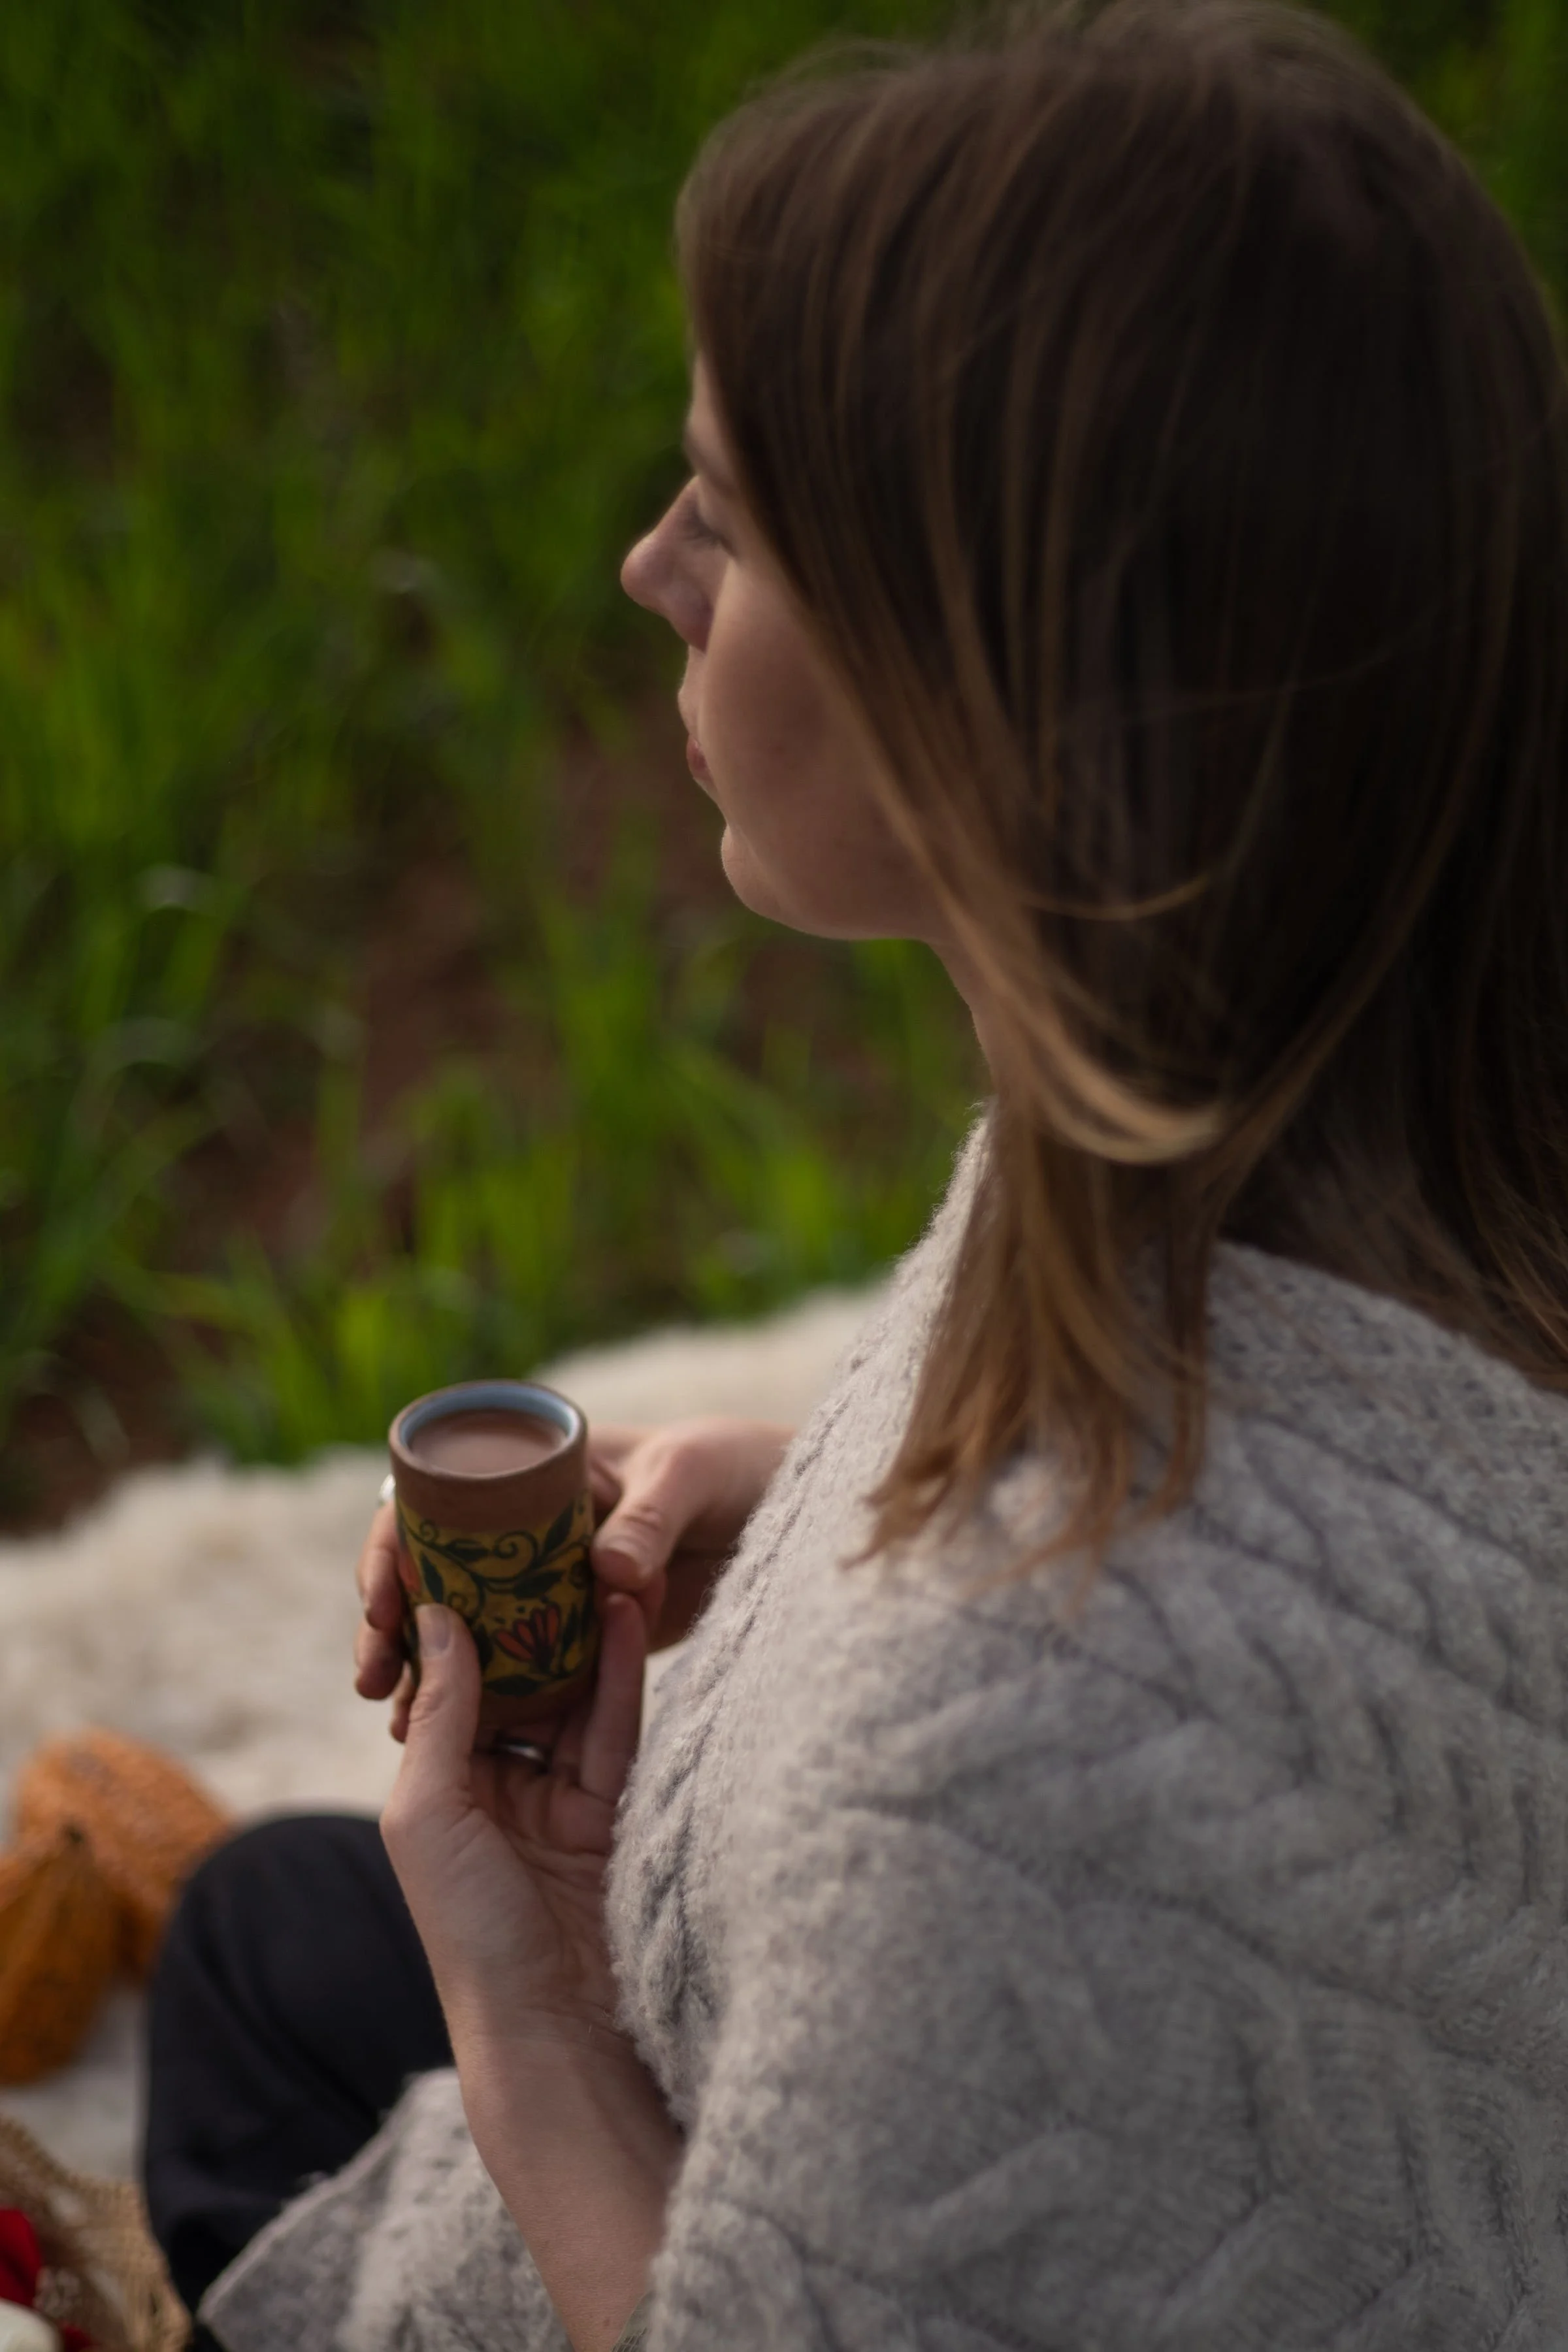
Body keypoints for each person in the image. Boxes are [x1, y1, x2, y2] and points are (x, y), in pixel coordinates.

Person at [142, 0, 1568, 2344]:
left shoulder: (1008, 1765)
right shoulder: (1369, 1115)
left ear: (983, 685)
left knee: (273, 2035)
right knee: (269, 1931)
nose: (640, 568)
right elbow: (1317, 1586)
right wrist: (819, 1489)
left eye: (724, 506)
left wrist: (536, 2032)